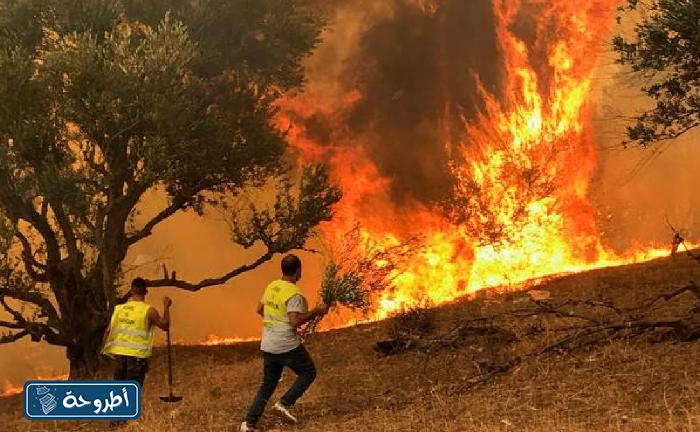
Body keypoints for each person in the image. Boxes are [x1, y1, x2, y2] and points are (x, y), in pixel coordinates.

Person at [240, 254, 330, 432]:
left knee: (268, 385)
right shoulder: (294, 293)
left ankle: (248, 423)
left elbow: (259, 309)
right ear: (298, 271)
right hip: (285, 345)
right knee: (308, 372)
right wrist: (317, 311)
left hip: (268, 343)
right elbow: (295, 321)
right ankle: (284, 404)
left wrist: (275, 322)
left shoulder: (272, 286)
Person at [101, 278, 171, 428]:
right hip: (137, 359)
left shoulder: (119, 309)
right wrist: (166, 307)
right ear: (146, 292)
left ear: (131, 291)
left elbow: (108, 332)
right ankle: (122, 427)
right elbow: (165, 325)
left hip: (119, 358)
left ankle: (114, 425)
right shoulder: (149, 311)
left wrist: (105, 353)